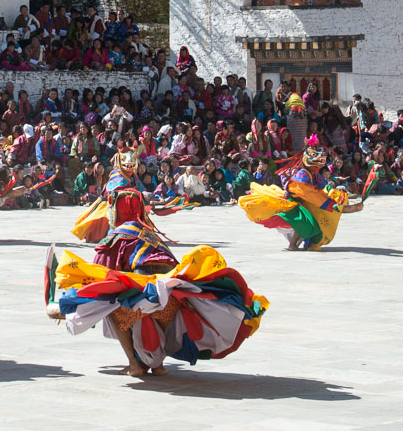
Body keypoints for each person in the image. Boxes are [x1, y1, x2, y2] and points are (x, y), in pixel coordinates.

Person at [51, 155, 270, 378]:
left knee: (114, 304)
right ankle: (157, 365)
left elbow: (101, 279)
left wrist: (77, 304)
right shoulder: (151, 235)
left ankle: (135, 364)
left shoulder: (114, 240)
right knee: (144, 298)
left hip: (142, 306)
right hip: (168, 304)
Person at [238, 143, 362, 251]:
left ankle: (303, 244)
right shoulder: (303, 175)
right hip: (292, 204)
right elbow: (311, 195)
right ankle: (292, 245)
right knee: (308, 224)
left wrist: (336, 197)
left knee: (312, 223)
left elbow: (322, 188)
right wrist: (330, 205)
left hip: (303, 203)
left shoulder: (313, 173)